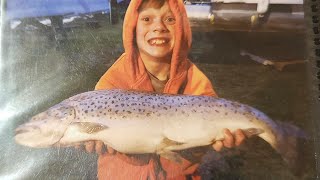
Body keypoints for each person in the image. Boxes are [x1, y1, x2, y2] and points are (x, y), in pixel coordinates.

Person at [81, 0, 246, 179]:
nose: (159, 27)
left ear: (183, 28)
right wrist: (97, 142)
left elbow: (197, 150)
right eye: (147, 19)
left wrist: (213, 140)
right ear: (132, 29)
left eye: (169, 19)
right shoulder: (111, 83)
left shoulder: (196, 80)